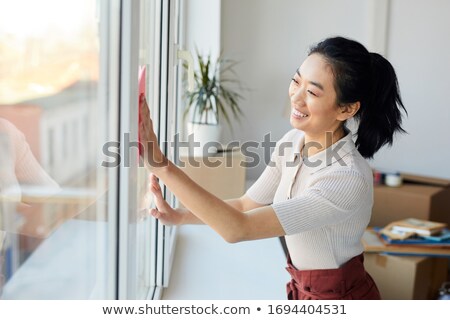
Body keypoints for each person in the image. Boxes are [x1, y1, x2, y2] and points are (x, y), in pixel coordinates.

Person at [138, 36, 407, 300]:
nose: (296, 98)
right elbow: (245, 206)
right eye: (296, 81)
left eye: (312, 92)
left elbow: (238, 228)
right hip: (304, 289)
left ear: (346, 109)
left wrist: (162, 166)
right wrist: (181, 216)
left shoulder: (345, 177)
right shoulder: (292, 142)